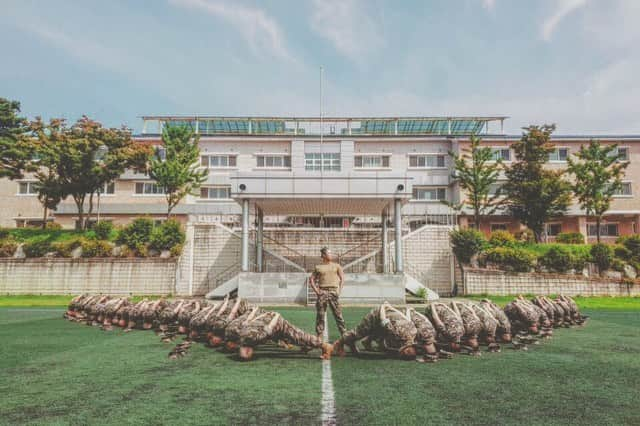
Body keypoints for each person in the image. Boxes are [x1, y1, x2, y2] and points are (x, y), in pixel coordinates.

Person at [225, 308, 333, 361]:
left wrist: (276, 315)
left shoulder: (255, 337)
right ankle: (306, 345)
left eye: (248, 354)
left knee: (296, 335)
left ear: (247, 349)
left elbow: (269, 328)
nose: (251, 353)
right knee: (292, 338)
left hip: (275, 322)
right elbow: (250, 322)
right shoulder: (242, 337)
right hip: (266, 321)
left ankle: (325, 346)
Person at [333, 303, 418, 360]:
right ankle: (338, 343)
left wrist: (391, 308)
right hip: (379, 314)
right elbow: (382, 319)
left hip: (391, 318)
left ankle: (366, 343)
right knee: (359, 332)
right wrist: (383, 306)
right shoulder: (397, 333)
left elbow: (407, 319)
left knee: (381, 332)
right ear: (404, 349)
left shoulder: (414, 332)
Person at [308, 247, 346, 338]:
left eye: (331, 253)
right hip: (322, 292)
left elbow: (342, 278)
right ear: (324, 255)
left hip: (333, 292)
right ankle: (319, 338)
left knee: (338, 316)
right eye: (329, 253)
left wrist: (339, 291)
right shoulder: (318, 267)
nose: (331, 255)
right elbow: (311, 279)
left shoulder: (337, 266)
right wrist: (317, 291)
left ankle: (345, 336)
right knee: (320, 316)